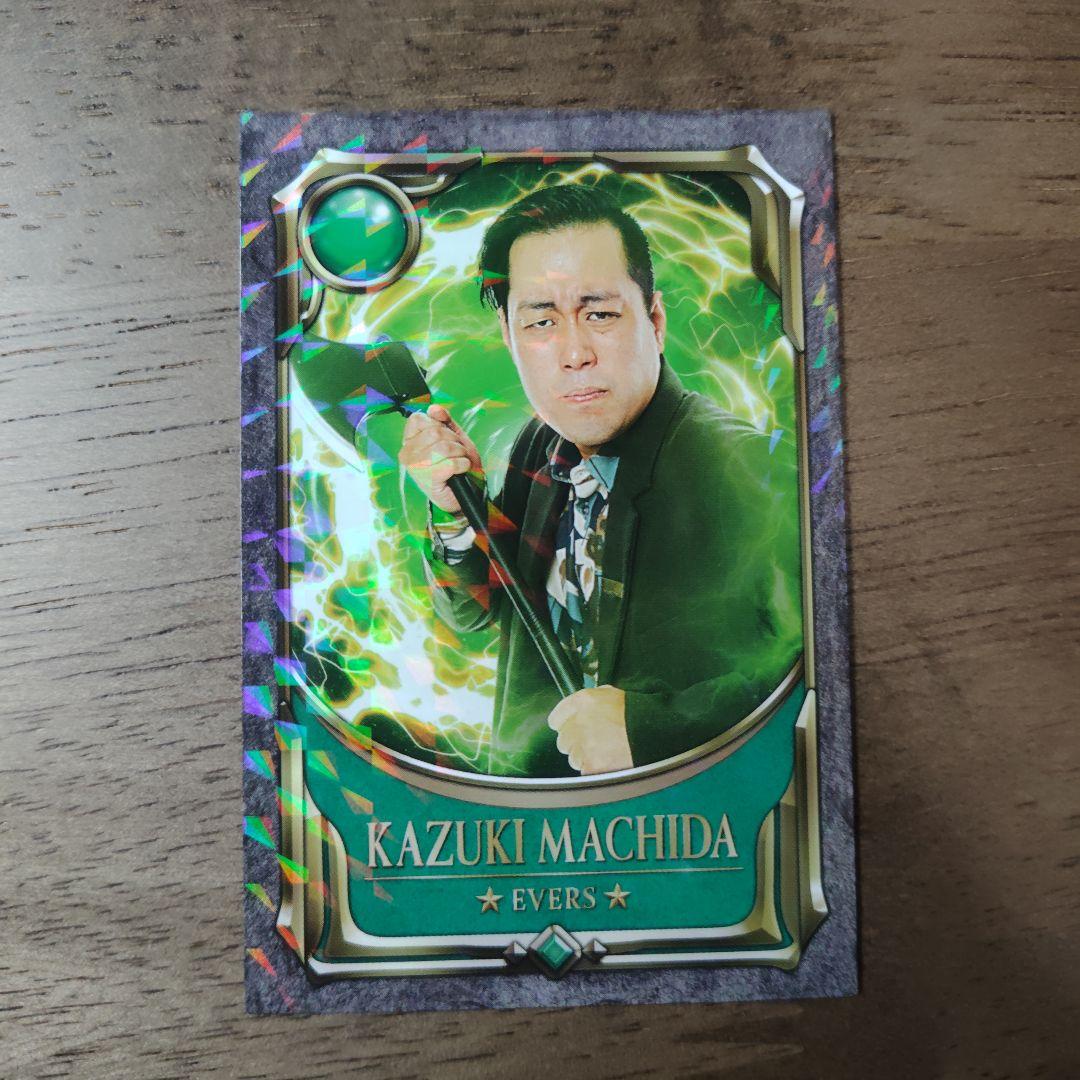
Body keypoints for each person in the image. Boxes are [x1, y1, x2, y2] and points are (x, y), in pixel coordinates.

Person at [400, 183, 802, 778]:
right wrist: (457, 509)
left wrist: (652, 731)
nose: (574, 353)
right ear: (510, 338)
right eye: (541, 321)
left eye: (600, 314)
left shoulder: (755, 472)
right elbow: (476, 614)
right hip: (529, 814)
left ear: (655, 321)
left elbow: (823, 672)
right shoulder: (539, 446)